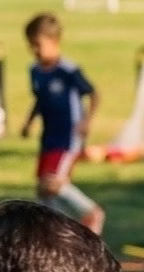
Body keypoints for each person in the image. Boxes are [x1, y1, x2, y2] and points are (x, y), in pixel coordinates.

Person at [19, 15, 103, 236]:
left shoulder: (68, 70)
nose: (34, 50)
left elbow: (94, 94)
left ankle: (92, 212)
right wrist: (29, 122)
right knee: (42, 190)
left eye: (38, 45)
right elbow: (40, 99)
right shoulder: (35, 71)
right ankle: (54, 233)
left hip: (69, 135)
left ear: (55, 41)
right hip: (49, 135)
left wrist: (87, 121)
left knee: (54, 182)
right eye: (31, 45)